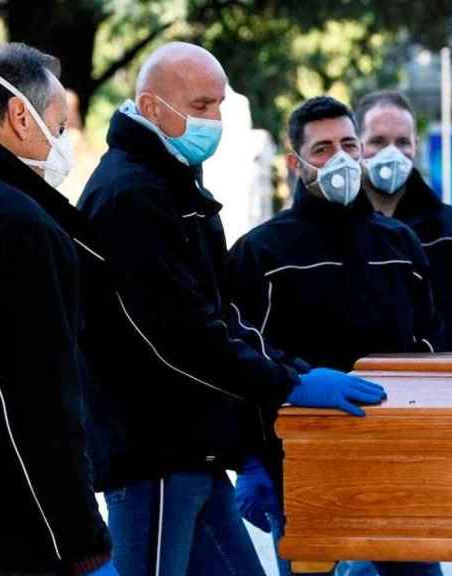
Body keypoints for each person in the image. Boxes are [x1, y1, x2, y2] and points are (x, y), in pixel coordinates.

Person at [78, 43, 383, 576]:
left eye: (218, 105)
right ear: (151, 107)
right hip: (153, 454)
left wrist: (293, 373)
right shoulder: (133, 195)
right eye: (200, 107)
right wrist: (285, 386)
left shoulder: (176, 186)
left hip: (193, 448)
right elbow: (177, 335)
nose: (213, 121)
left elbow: (221, 314)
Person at [226, 96, 443, 576]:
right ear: (294, 162)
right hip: (302, 470)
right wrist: (251, 460)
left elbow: (431, 344)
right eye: (322, 149)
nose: (340, 158)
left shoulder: (399, 244)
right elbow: (242, 356)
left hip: (398, 467)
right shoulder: (260, 253)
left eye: (348, 144)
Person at [0, 43, 115, 575]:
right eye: (59, 124)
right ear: (18, 116)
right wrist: (82, 541)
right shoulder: (19, 223)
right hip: (11, 522)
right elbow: (41, 399)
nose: (64, 141)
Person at [356, 90, 452, 351]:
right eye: (378, 142)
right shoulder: (339, 228)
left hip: (440, 381)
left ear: (415, 146)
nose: (392, 153)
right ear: (356, 146)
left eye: (402, 142)